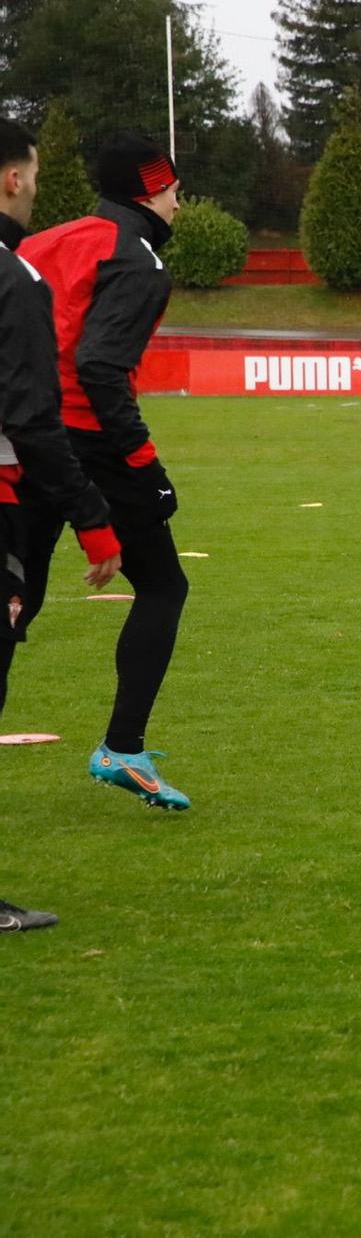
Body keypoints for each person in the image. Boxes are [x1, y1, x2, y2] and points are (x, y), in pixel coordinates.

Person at [17, 130, 190, 809]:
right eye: (175, 190)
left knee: (16, 599)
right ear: (150, 190)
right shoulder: (138, 260)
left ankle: (125, 746)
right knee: (164, 585)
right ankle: (123, 745)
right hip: (84, 438)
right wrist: (144, 463)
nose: (179, 203)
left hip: (20, 434)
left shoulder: (47, 240)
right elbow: (98, 366)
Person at [0, 118, 126, 932]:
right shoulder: (14, 282)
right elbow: (33, 420)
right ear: (13, 179)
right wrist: (92, 519)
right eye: (35, 174)